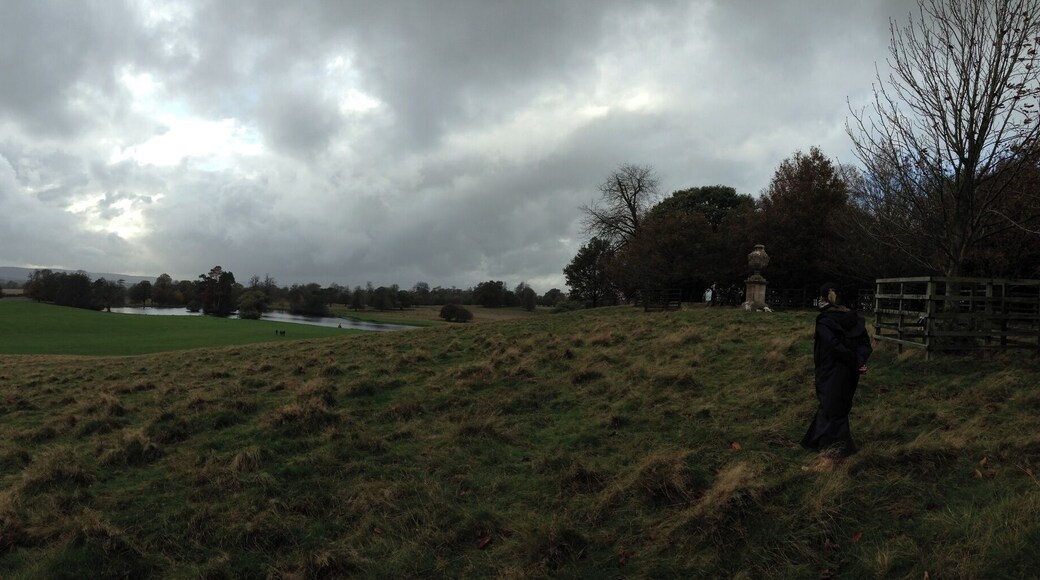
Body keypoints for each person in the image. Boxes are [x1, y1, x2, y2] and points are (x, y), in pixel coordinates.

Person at [801, 282, 872, 471]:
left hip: (831, 371)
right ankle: (832, 456)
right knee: (838, 409)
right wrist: (859, 362)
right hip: (850, 373)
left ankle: (830, 460)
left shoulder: (825, 321)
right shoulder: (856, 319)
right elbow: (864, 343)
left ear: (824, 298)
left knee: (831, 412)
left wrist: (854, 361)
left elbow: (833, 346)